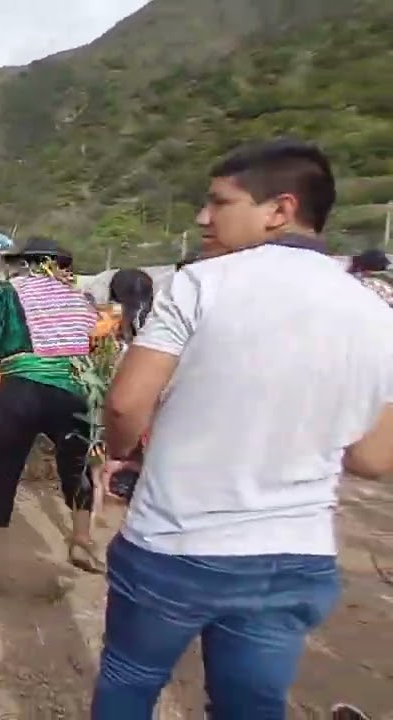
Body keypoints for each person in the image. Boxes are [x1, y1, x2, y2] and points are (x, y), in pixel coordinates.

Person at [93, 139, 393, 718]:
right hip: (292, 555)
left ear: (279, 209)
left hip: (176, 544)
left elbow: (128, 403)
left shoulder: (201, 283)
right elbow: (375, 458)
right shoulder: (379, 317)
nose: (204, 218)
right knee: (250, 706)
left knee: (130, 680)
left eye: (219, 202)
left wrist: (121, 453)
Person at [0, 237, 101, 597]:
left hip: (21, 390)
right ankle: (80, 539)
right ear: (62, 266)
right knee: (77, 467)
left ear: (26, 264)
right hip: (74, 391)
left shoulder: (4, 293)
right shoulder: (80, 300)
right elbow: (89, 345)